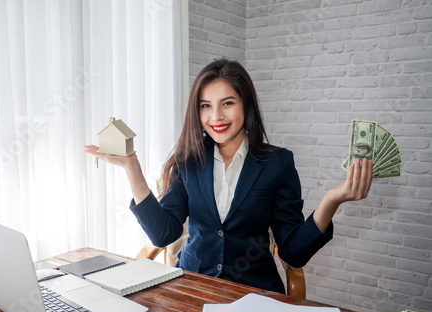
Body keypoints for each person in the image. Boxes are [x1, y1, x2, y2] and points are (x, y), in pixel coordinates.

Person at [84, 58, 372, 294]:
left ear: (246, 105)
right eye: (205, 106)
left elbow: (293, 253)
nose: (216, 117)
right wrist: (131, 166)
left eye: (227, 103)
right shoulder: (189, 161)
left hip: (254, 291)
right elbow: (164, 233)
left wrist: (332, 200)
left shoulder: (278, 163)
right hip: (193, 286)